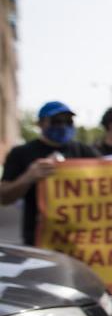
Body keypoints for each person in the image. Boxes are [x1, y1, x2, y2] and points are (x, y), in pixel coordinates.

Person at [1, 101, 99, 245]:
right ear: (40, 124)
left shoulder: (84, 151)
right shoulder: (21, 153)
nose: (63, 125)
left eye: (69, 121)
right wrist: (28, 177)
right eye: (57, 121)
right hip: (39, 239)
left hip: (81, 239)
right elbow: (4, 197)